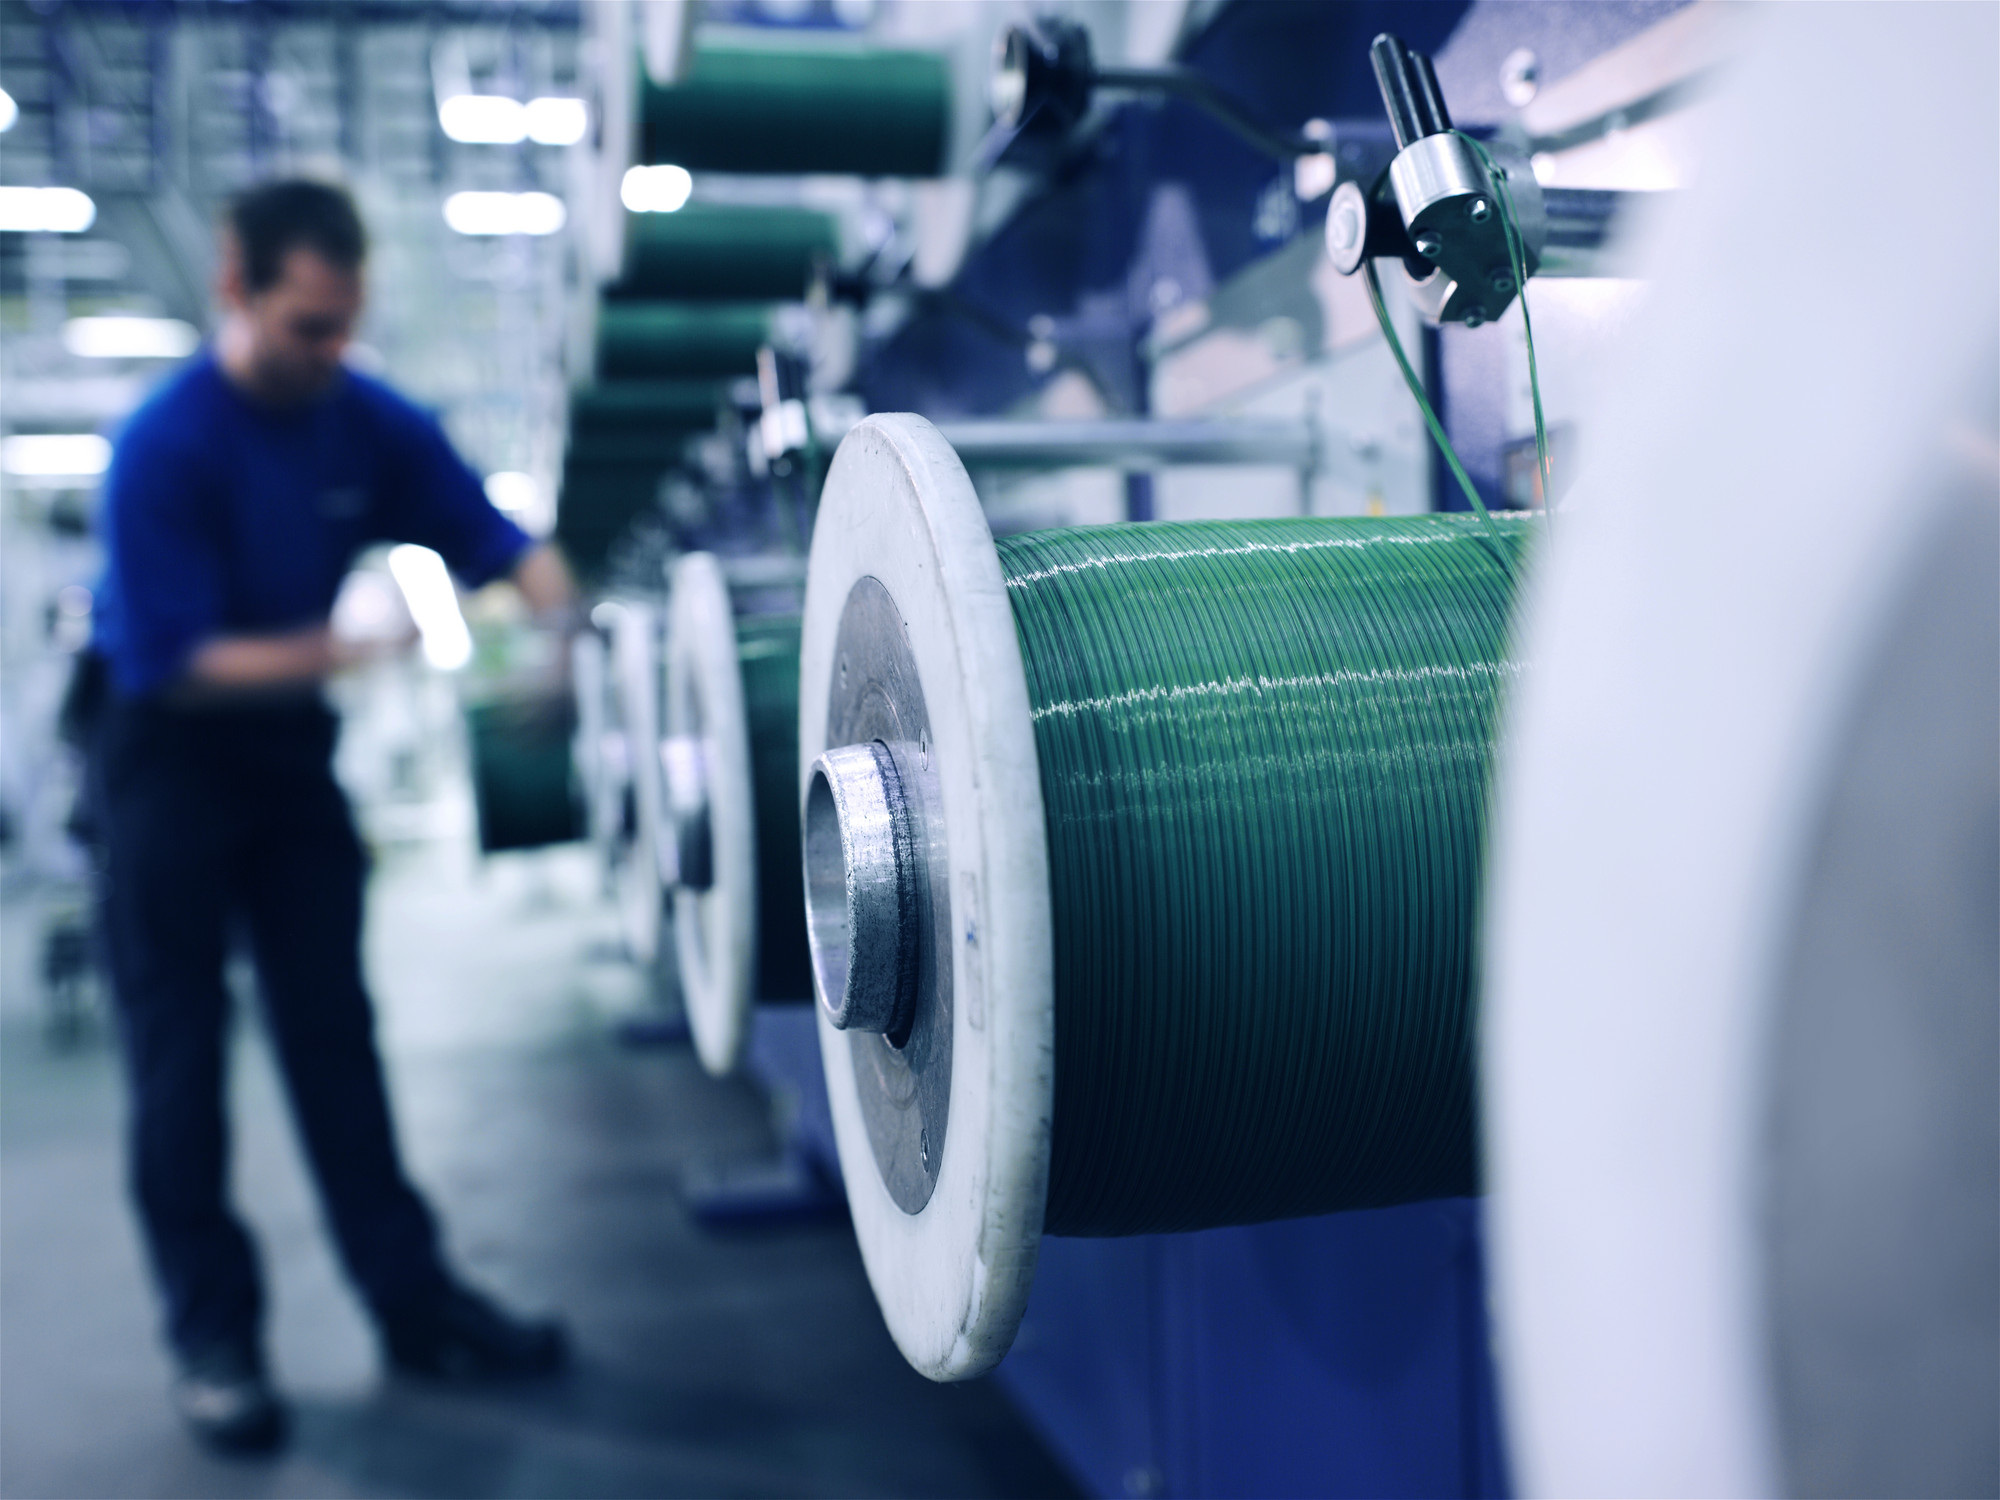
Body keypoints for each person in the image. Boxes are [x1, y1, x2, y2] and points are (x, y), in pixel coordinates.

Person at [86, 178, 574, 1456]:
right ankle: (215, 1341)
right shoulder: (167, 448)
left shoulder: (363, 419)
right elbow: (175, 663)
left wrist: (558, 635)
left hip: (287, 761)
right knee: (180, 1056)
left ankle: (414, 1305)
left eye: (344, 326)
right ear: (235, 289)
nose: (328, 352)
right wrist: (354, 647)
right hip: (165, 761)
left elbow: (500, 541)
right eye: (306, 326)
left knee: (334, 1035)